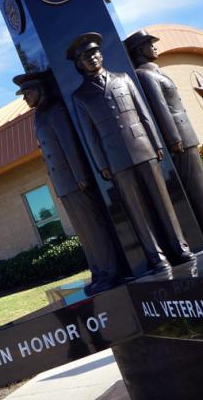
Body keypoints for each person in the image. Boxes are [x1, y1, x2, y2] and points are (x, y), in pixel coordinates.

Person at [68, 32, 195, 271]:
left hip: (144, 147)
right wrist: (102, 164)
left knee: (163, 201)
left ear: (101, 54)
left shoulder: (124, 78)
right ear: (79, 64)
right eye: (86, 57)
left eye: (95, 53)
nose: (92, 58)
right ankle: (157, 258)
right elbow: (89, 134)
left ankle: (180, 248)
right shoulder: (80, 96)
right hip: (116, 159)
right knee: (138, 211)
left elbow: (143, 112)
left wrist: (157, 143)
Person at [125, 29, 203, 246]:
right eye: (150, 44)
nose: (155, 47)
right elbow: (160, 108)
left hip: (184, 134)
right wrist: (173, 139)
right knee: (196, 186)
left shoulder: (155, 72)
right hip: (179, 139)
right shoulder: (144, 74)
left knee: (200, 184)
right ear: (139, 50)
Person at [14, 70, 126, 293]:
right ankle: (98, 272)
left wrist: (80, 176)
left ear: (38, 90)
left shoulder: (55, 111)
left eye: (27, 92)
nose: (24, 98)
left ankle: (111, 272)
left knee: (94, 229)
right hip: (64, 184)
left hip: (76, 182)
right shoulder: (40, 115)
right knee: (84, 231)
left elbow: (70, 147)